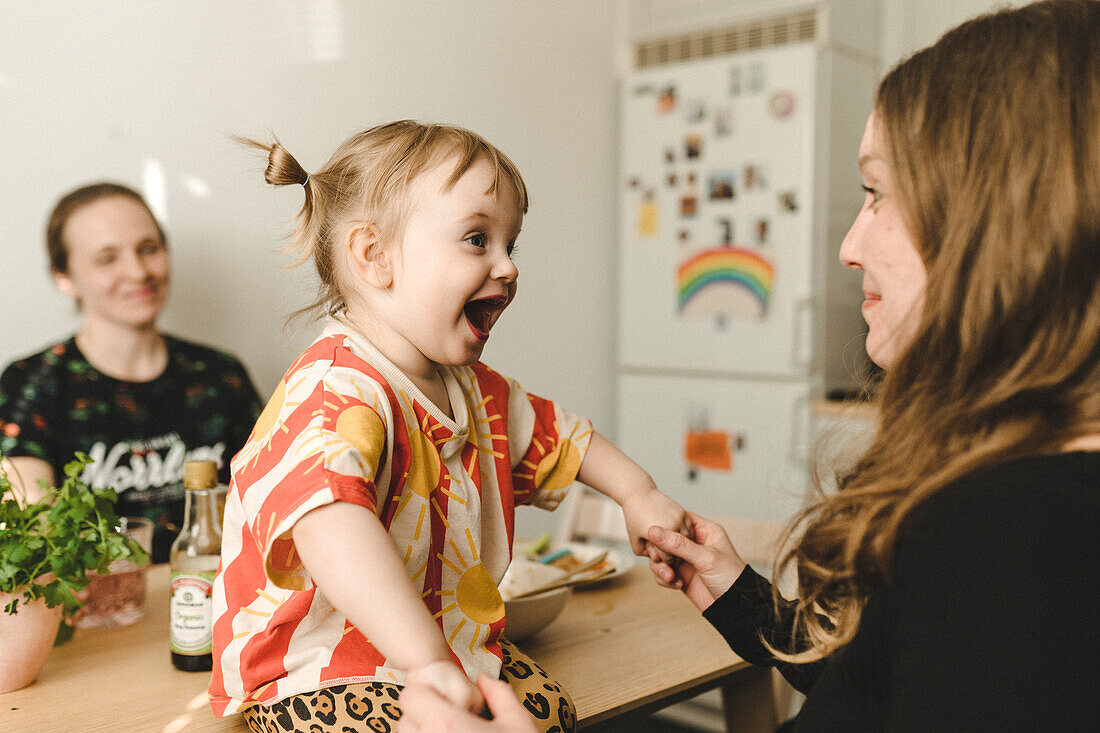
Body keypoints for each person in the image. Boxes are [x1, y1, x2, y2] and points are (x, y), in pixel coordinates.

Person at [395, 1, 1100, 730]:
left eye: (877, 192)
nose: (849, 245)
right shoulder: (1004, 503)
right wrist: (742, 594)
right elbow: (881, 681)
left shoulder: (1027, 540)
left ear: (999, 220)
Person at [208, 121, 692, 733]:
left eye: (511, 244)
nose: (508, 267)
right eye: (476, 239)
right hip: (315, 675)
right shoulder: (333, 389)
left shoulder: (473, 388)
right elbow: (331, 526)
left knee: (550, 709)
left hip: (444, 656)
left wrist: (637, 491)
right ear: (374, 257)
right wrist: (427, 662)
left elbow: (559, 434)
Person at [0, 183, 262, 562]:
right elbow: (28, 534)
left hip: (214, 602)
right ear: (64, 276)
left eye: (148, 249)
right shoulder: (30, 384)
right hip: (96, 611)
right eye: (107, 258)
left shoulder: (220, 375)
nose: (138, 271)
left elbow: (270, 500)